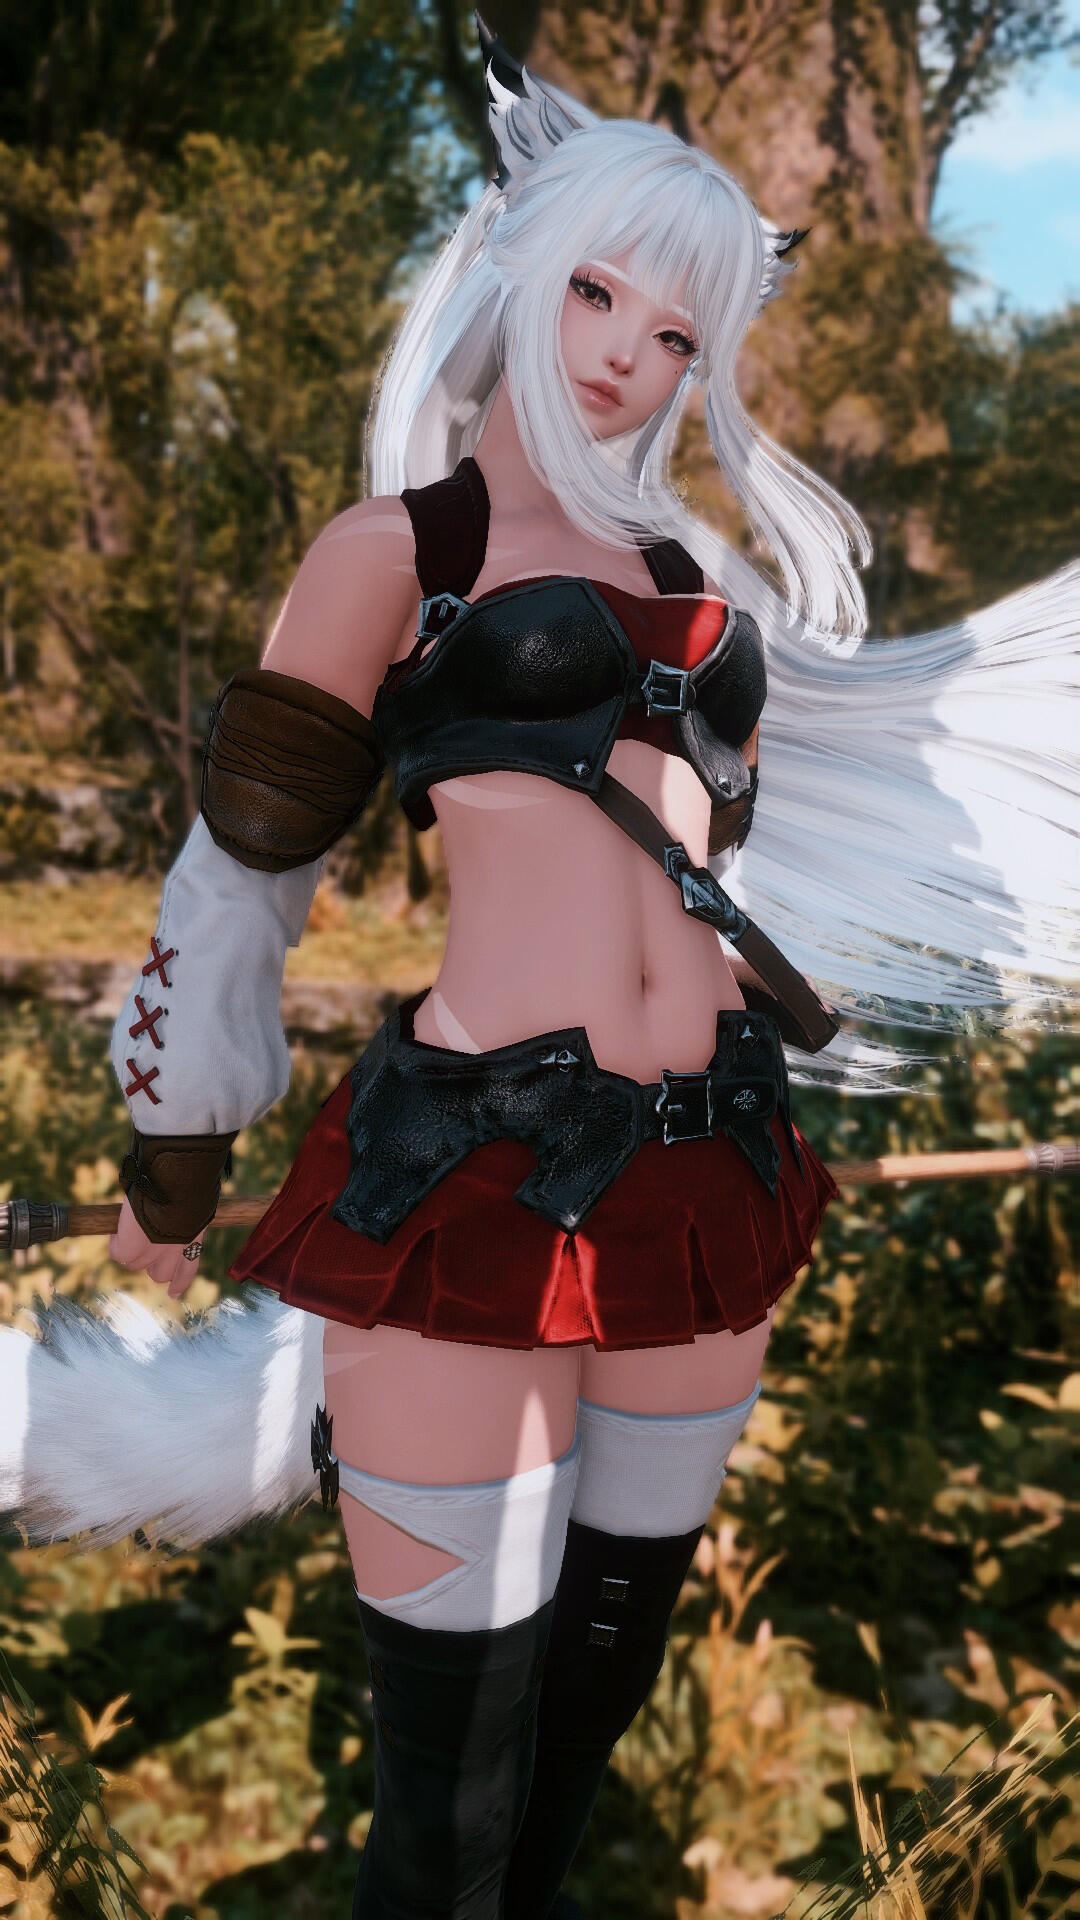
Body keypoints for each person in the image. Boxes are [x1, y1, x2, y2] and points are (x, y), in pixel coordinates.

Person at [6, 20, 1075, 1920]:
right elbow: (243, 875)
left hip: (709, 1167)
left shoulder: (691, 567)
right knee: (448, 1801)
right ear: (519, 260)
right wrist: (177, 1144)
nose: (625, 354)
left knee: (577, 1743)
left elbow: (708, 855)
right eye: (597, 293)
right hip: (480, 1177)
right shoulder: (393, 550)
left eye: (676, 333)